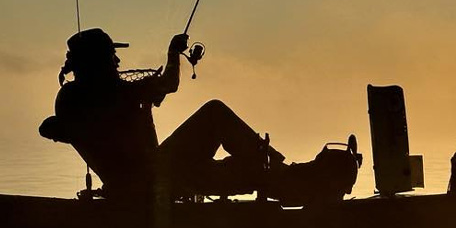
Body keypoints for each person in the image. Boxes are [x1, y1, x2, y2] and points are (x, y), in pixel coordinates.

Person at [39, 28, 290, 201]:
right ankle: (279, 172)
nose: (117, 61)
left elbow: (51, 127)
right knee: (214, 113)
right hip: (153, 180)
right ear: (96, 62)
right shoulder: (116, 94)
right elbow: (169, 83)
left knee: (219, 170)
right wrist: (173, 53)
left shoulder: (70, 97)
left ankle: (272, 171)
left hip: (129, 185)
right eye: (110, 56)